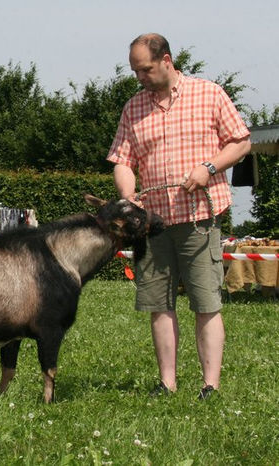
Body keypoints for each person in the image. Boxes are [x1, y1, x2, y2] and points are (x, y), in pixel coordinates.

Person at [107, 33, 251, 399]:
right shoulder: (133, 108)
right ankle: (167, 383)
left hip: (200, 218)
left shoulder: (209, 94)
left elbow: (241, 141)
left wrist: (208, 167)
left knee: (205, 303)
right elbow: (123, 160)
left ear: (166, 60)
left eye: (145, 69)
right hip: (153, 225)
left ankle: (210, 386)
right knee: (158, 305)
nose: (139, 77)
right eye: (135, 71)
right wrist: (128, 197)